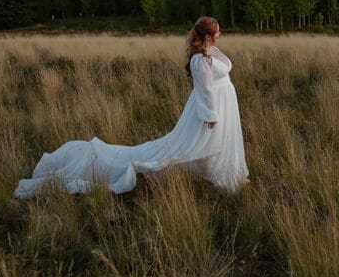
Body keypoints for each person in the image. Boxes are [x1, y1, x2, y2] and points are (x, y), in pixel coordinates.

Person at [14, 17, 249, 198]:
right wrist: (210, 115)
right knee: (181, 147)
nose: (221, 34)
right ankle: (115, 165)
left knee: (220, 142)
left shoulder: (212, 51)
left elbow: (225, 67)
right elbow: (204, 90)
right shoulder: (199, 60)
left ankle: (221, 175)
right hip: (211, 108)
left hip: (224, 102)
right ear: (208, 35)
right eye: (218, 31)